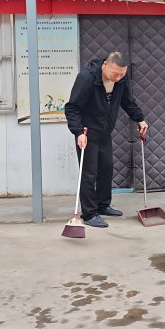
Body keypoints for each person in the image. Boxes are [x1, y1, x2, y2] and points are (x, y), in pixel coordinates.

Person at [65, 48, 148, 229]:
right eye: (115, 73)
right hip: (86, 133)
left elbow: (127, 101)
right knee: (88, 173)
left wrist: (140, 119)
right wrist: (78, 131)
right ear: (105, 65)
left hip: (105, 131)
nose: (118, 78)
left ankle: (103, 205)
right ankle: (89, 213)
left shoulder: (120, 80)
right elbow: (72, 108)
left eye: (121, 74)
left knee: (106, 169)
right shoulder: (86, 79)